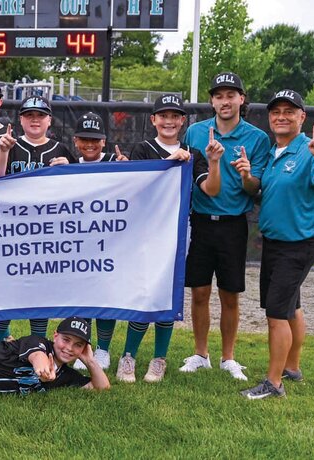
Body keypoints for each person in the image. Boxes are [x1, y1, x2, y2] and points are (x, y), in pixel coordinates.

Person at [234, 90, 314, 399]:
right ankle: (291, 367)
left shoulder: (310, 151)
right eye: (276, 111)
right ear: (269, 117)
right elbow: (262, 189)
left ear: (302, 117)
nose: (282, 116)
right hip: (275, 243)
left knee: (276, 314)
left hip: (297, 245)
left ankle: (273, 384)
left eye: (289, 111)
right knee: (292, 307)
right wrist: (247, 176)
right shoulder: (273, 152)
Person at [109, 94, 223, 383]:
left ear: (183, 120)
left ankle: (159, 358)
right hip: (144, 232)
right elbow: (137, 188)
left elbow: (210, 189)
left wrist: (213, 162)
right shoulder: (143, 148)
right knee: (144, 291)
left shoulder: (193, 153)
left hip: (177, 230)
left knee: (167, 292)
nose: (169, 121)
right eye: (163, 115)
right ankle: (129, 356)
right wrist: (171, 161)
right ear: (154, 120)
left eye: (175, 116)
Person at [180, 72, 271, 380]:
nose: (225, 101)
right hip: (201, 221)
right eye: (219, 95)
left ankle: (228, 357)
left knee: (230, 294)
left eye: (231, 95)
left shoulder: (256, 138)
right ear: (212, 101)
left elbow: (254, 189)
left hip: (234, 224)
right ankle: (200, 353)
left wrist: (247, 176)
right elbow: (181, 170)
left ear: (242, 99)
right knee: (199, 292)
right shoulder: (195, 132)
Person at [0, 95, 76, 342]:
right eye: (29, 115)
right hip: (11, 229)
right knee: (6, 288)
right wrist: (3, 150)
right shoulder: (10, 144)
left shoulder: (60, 150)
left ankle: (38, 344)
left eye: (40, 115)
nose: (35, 120)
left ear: (49, 120)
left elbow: (79, 193)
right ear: (21, 119)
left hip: (46, 232)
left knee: (40, 291)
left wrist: (69, 170)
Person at [66, 111, 127, 372]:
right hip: (78, 239)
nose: (89, 145)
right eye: (84, 139)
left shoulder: (117, 161)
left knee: (105, 293)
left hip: (109, 238)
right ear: (75, 140)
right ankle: (82, 344)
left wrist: (130, 171)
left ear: (104, 141)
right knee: (80, 293)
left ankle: (102, 348)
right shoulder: (68, 163)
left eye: (95, 139)